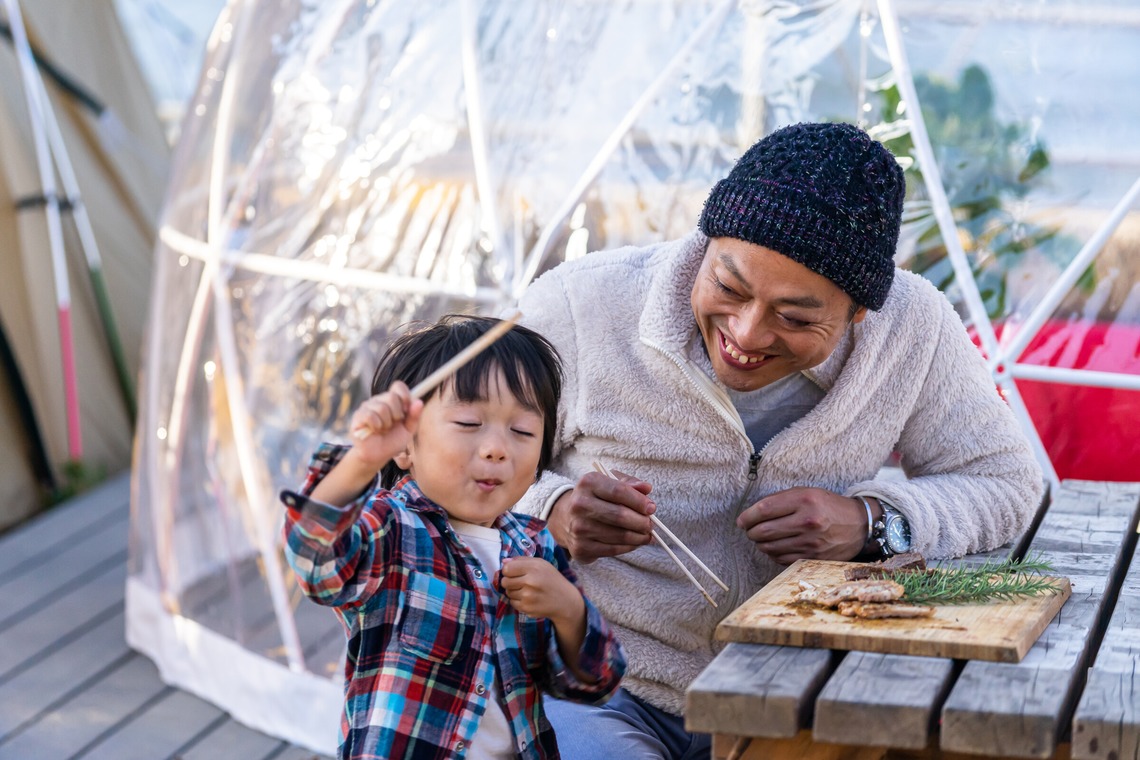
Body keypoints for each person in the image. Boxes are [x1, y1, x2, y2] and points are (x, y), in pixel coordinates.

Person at [513, 121, 1044, 758]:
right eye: (728, 288)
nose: (746, 332)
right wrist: (553, 512)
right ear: (706, 245)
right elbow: (431, 471)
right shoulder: (581, 304)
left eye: (794, 318)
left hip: (797, 691)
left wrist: (874, 522)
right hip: (592, 683)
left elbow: (1005, 481)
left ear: (859, 313)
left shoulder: (914, 328)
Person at [280, 315, 626, 760]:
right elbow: (315, 559)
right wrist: (362, 462)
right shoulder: (392, 529)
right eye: (468, 422)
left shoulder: (537, 548)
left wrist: (569, 610)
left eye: (522, 431)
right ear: (405, 447)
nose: (497, 447)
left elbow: (596, 683)